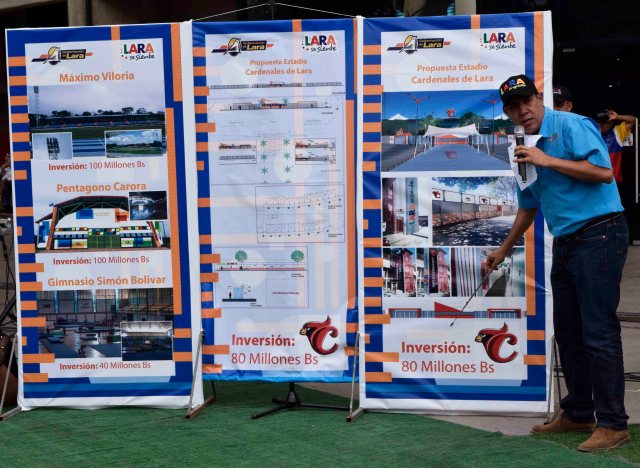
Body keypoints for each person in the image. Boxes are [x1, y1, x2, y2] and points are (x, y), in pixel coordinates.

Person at [487, 74, 630, 452]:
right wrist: (503, 249)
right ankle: (579, 412)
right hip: (567, 241)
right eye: (513, 107)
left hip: (600, 233)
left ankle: (614, 423)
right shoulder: (522, 146)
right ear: (507, 113)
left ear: (539, 98)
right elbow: (529, 204)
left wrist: (546, 159)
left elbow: (602, 174)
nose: (522, 111)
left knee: (598, 331)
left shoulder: (572, 125)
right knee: (567, 331)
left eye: (526, 102)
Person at [596, 109, 636, 186]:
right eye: (599, 122)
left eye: (604, 122)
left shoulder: (616, 133)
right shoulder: (591, 133)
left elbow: (634, 120)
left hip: (612, 183)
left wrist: (618, 117)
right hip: (595, 181)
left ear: (611, 123)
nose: (601, 124)